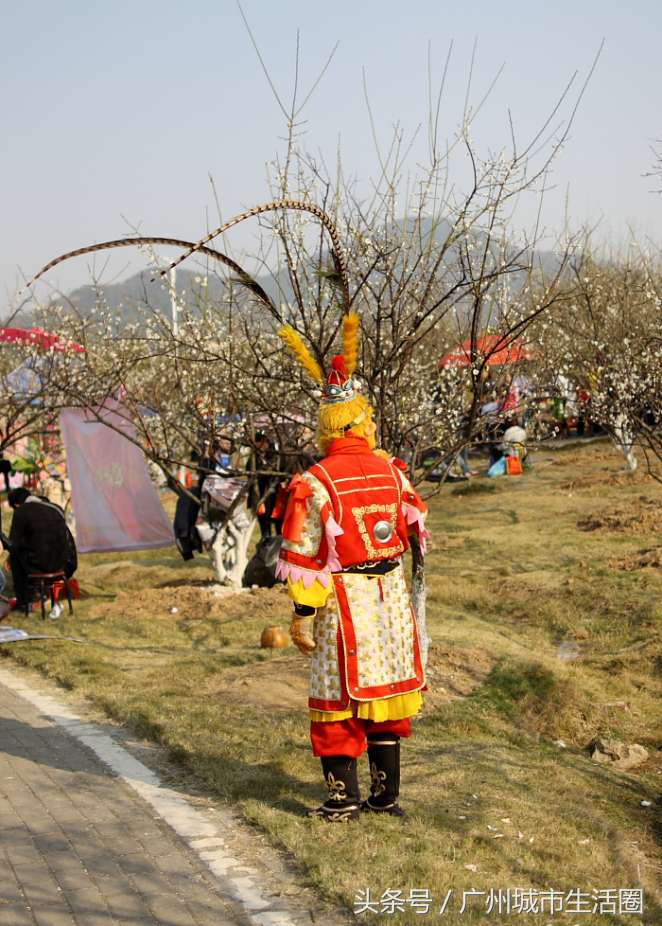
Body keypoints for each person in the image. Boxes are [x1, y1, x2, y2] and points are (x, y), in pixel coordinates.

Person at [276, 314, 429, 821]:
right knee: (386, 693)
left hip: (344, 606)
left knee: (336, 699)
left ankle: (342, 801)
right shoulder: (392, 470)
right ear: (361, 424)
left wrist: (301, 614)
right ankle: (386, 797)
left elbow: (306, 558)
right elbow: (414, 531)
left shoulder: (314, 482)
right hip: (390, 600)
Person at [4, 488, 77, 610]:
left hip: (42, 566)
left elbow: (14, 543)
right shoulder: (55, 507)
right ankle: (42, 594)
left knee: (15, 558)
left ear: (16, 504)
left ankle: (24, 602)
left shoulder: (21, 511)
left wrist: (9, 556)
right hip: (65, 564)